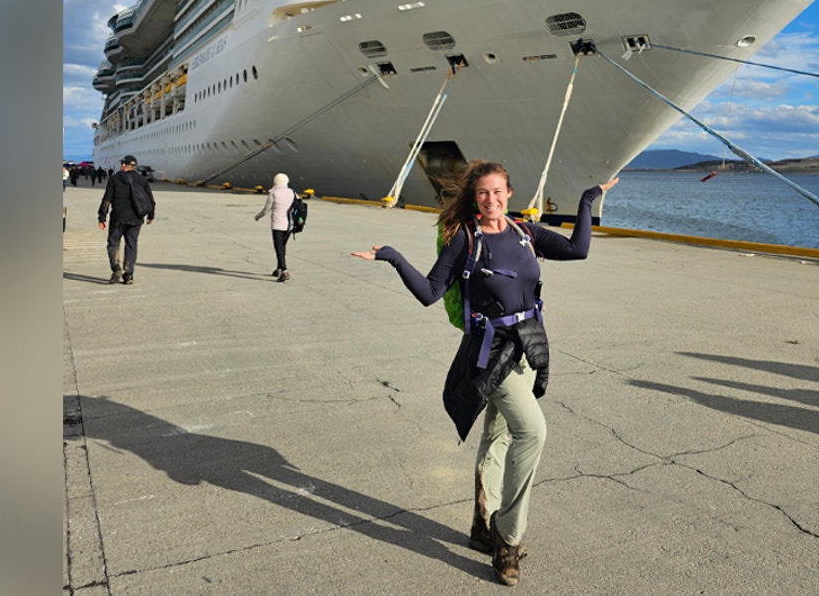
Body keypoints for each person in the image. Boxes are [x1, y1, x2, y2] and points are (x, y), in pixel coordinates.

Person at [351, 161, 618, 587]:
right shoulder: (465, 241)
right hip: (490, 352)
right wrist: (392, 256)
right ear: (474, 199)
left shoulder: (525, 233)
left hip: (529, 346)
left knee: (499, 435)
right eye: (482, 194)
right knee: (532, 432)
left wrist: (587, 201)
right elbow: (430, 293)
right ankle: (507, 541)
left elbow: (578, 249)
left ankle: (481, 525)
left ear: (509, 193)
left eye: (497, 192)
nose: (491, 200)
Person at [98, 155, 155, 284]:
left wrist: (102, 217)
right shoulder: (142, 180)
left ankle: (116, 268)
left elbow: (107, 200)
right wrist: (151, 216)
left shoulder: (115, 179)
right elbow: (150, 201)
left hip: (118, 218)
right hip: (136, 219)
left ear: (123, 165)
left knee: (113, 243)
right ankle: (129, 274)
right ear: (134, 166)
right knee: (131, 245)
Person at [253, 172, 297, 282]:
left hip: (278, 225)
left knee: (278, 249)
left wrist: (257, 216)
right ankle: (278, 268)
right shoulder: (292, 192)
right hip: (289, 225)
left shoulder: (274, 193)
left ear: (276, 181)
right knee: (283, 247)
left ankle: (285, 271)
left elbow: (266, 209)